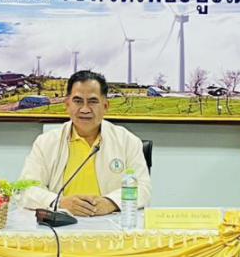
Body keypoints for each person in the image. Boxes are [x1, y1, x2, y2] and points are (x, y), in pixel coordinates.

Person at [20, 70, 151, 216]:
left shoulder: (127, 141)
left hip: (110, 222)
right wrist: (60, 202)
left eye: (93, 101)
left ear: (105, 106)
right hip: (62, 222)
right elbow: (26, 189)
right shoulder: (46, 142)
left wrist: (111, 202)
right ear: (67, 104)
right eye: (78, 101)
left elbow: (143, 189)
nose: (85, 109)